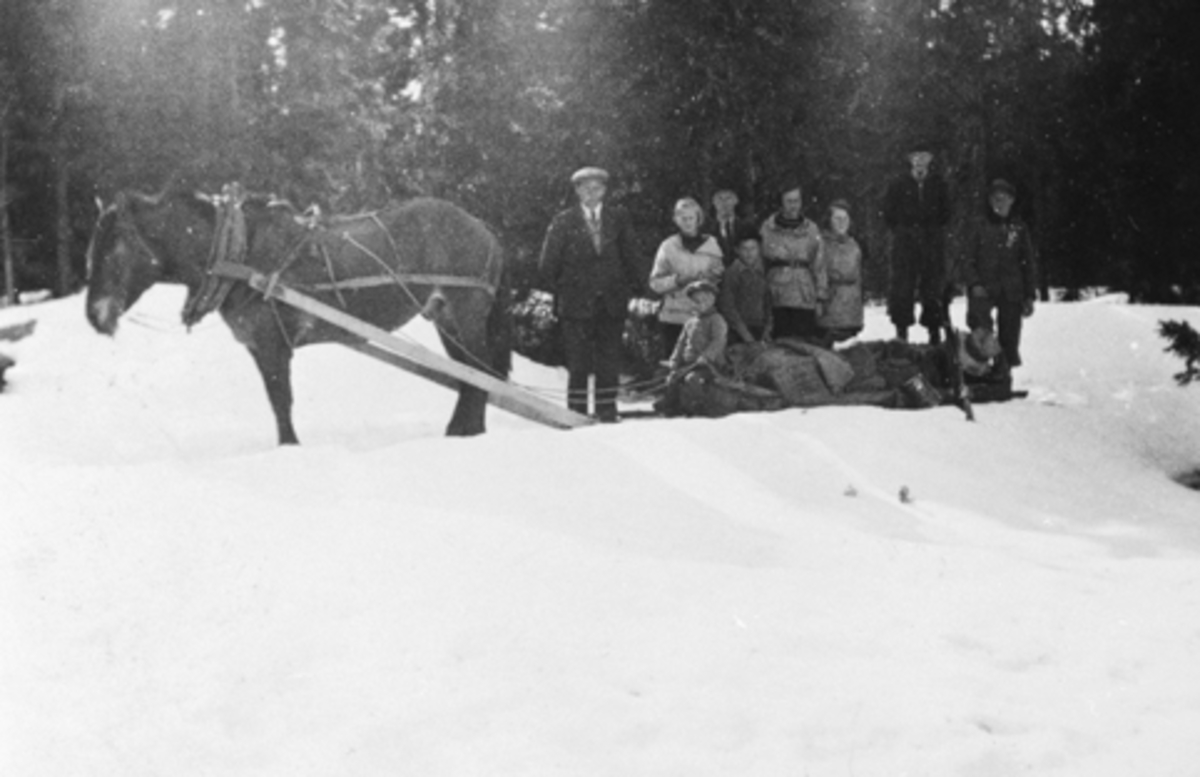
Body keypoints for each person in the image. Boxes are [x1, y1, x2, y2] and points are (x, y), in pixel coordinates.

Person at [538, 166, 643, 422]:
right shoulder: (563, 221)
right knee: (578, 364)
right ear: (577, 191)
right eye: (585, 188)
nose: (591, 193)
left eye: (597, 188)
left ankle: (607, 411)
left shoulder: (618, 218)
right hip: (576, 304)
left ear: (605, 191)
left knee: (609, 361)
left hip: (611, 302)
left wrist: (632, 289)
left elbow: (632, 258)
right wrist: (565, 291)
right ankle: (576, 414)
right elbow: (547, 265)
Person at [960, 178, 1038, 377]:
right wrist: (974, 283)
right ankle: (979, 367)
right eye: (995, 198)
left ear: (1011, 200)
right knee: (980, 328)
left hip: (1011, 289)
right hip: (983, 287)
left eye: (1003, 199)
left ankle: (1004, 369)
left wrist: (1029, 295)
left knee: (1010, 331)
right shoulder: (979, 227)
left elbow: (1028, 263)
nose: (999, 203)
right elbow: (967, 259)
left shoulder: (1018, 229)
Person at [883, 144, 951, 344]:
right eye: (916, 157)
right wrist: (905, 229)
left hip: (932, 242)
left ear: (930, 160)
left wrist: (931, 229)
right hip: (905, 243)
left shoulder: (938, 184)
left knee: (933, 288)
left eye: (924, 157)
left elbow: (946, 213)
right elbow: (889, 214)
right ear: (910, 160)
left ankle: (934, 333)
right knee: (902, 287)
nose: (920, 161)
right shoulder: (898, 184)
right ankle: (901, 333)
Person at [648, 197, 725, 358]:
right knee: (675, 367)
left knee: (702, 368)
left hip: (703, 319)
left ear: (699, 219)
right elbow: (655, 283)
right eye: (683, 218)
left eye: (691, 218)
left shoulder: (712, 244)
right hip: (674, 317)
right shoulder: (668, 246)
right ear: (676, 220)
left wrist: (714, 276)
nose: (688, 222)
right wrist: (677, 280)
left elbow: (719, 277)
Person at [760, 183, 827, 341]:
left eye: (797, 200)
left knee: (804, 342)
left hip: (804, 295)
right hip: (777, 295)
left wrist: (820, 297)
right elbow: (760, 263)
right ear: (781, 203)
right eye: (789, 201)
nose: (793, 205)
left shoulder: (811, 230)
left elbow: (819, 265)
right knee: (779, 343)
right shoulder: (768, 228)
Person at [816, 199, 864, 345]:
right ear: (829, 220)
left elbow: (859, 278)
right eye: (837, 218)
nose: (842, 222)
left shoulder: (854, 245)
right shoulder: (822, 244)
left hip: (852, 312)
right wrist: (820, 301)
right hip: (830, 310)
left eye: (845, 218)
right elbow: (820, 274)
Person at [718, 230, 773, 345]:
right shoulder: (732, 273)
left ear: (759, 250)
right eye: (745, 249)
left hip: (760, 328)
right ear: (737, 250)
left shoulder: (763, 272)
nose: (749, 253)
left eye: (753, 248)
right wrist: (746, 336)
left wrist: (767, 330)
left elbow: (768, 303)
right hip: (737, 330)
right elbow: (728, 307)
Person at [708, 188, 753, 267]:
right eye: (720, 198)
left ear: (736, 201)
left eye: (728, 198)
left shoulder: (747, 228)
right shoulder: (706, 229)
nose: (724, 202)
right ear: (713, 202)